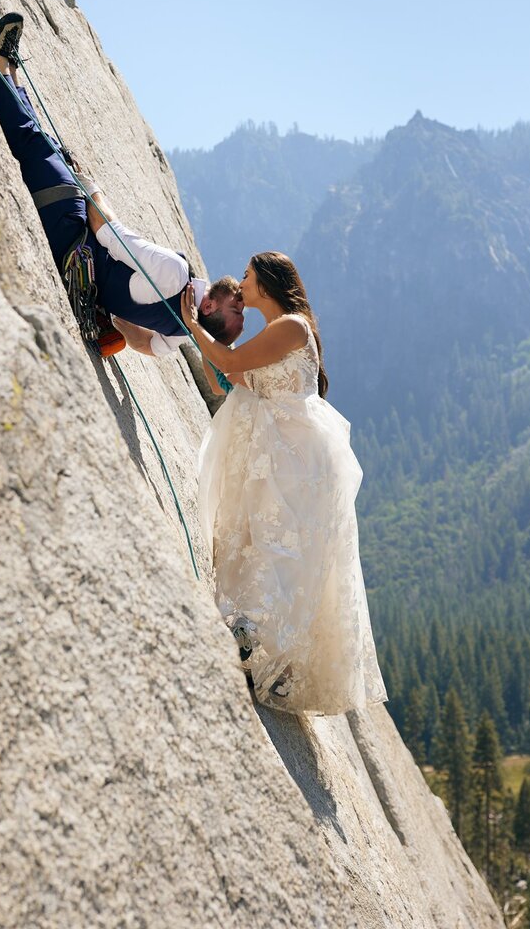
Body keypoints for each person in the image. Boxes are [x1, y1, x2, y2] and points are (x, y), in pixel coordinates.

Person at [181, 251, 387, 715]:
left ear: (267, 284)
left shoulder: (290, 327)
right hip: (279, 454)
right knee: (268, 547)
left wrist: (192, 326)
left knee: (281, 551)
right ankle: (258, 643)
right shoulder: (280, 331)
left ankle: (262, 646)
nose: (242, 285)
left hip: (292, 458)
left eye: (249, 278)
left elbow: (228, 361)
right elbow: (231, 378)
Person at [0, 13, 244, 355]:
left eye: (236, 308)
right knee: (46, 145)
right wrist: (111, 312)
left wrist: (90, 183)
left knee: (36, 145)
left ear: (208, 307)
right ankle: (6, 65)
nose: (241, 300)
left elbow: (106, 230)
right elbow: (146, 343)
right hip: (75, 261)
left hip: (74, 230)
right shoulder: (178, 336)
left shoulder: (175, 273)